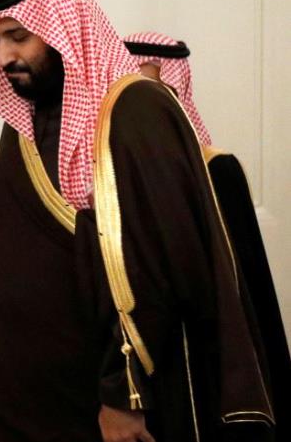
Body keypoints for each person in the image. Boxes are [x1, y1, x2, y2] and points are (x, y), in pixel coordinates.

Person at [0, 0, 275, 442]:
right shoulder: (23, 126)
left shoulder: (137, 112)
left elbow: (152, 267)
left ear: (61, 27)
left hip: (105, 406)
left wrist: (123, 397)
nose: (5, 57)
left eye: (18, 37)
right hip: (27, 403)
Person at [124, 32, 291, 441]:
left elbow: (248, 287)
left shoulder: (217, 169)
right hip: (138, 354)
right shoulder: (109, 176)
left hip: (206, 344)